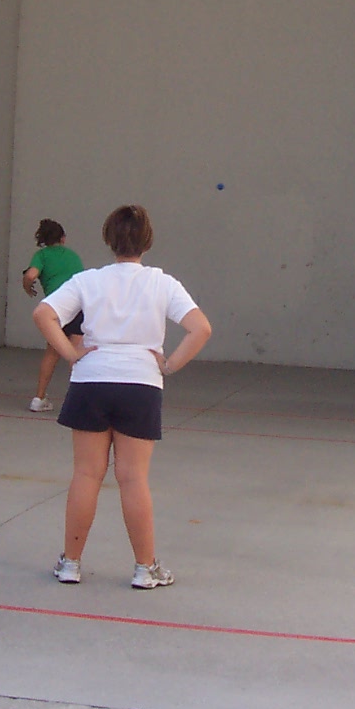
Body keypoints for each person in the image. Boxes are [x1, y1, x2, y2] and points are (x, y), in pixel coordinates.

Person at [33, 204, 212, 589]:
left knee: (85, 474)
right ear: (147, 241)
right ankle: (145, 569)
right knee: (133, 479)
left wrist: (71, 354)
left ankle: (70, 564)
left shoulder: (89, 281)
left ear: (108, 238)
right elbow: (200, 329)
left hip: (91, 382)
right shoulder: (163, 283)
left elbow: (43, 314)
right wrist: (169, 365)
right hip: (140, 384)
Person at [21, 218, 84, 412]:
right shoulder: (72, 255)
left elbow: (31, 275)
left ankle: (39, 398)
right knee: (76, 354)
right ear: (63, 238)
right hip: (78, 306)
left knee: (52, 352)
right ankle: (76, 401)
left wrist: (27, 287)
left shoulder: (41, 255)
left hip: (55, 309)